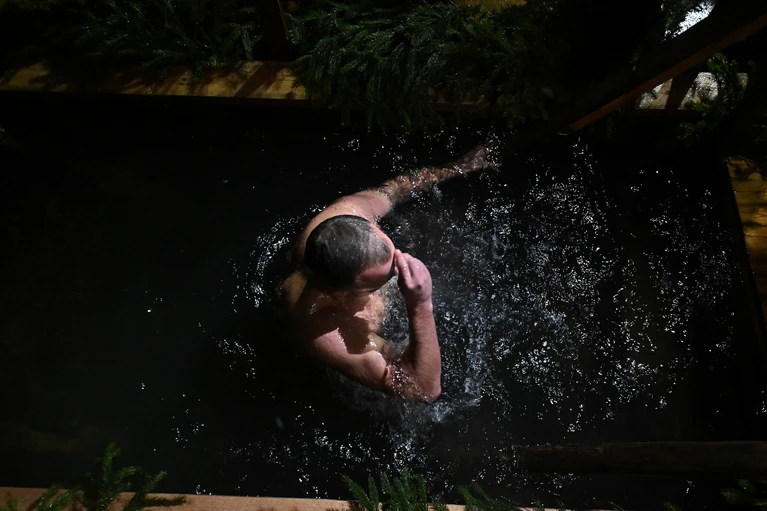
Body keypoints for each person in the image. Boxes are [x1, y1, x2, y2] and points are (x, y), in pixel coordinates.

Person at [281, 145, 498, 402]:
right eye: (384, 278)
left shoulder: (347, 212)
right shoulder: (324, 330)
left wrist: (458, 167)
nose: (399, 269)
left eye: (394, 255)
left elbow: (394, 190)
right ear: (341, 293)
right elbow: (424, 390)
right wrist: (420, 304)